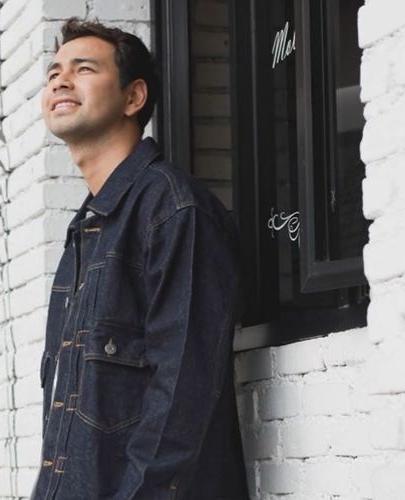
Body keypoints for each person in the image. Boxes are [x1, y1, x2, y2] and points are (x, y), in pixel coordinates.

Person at [32, 17, 248, 500]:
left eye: (83, 69)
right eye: (53, 73)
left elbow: (183, 397)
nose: (60, 81)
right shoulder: (87, 229)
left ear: (133, 97)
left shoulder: (173, 210)